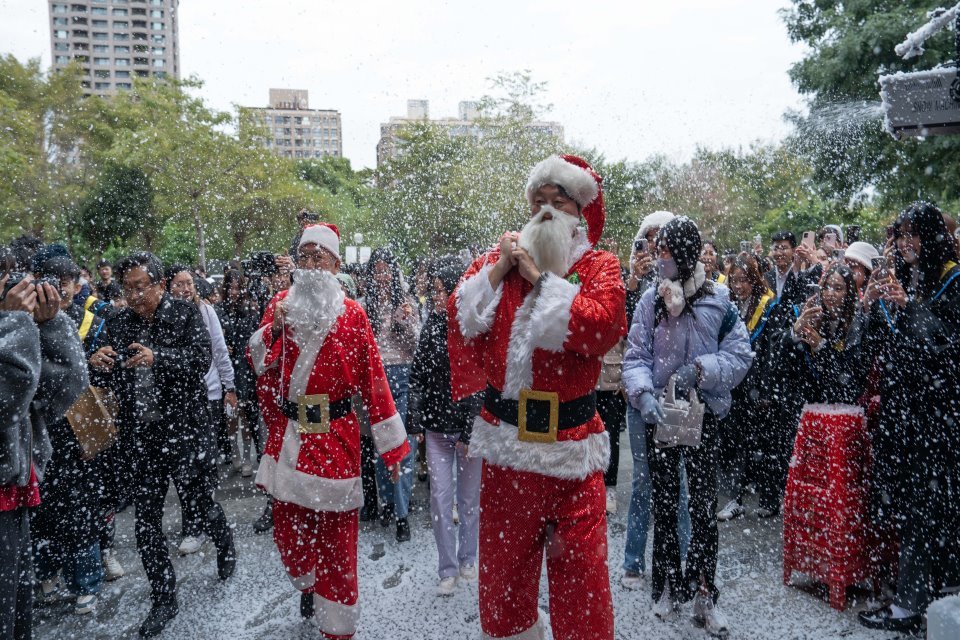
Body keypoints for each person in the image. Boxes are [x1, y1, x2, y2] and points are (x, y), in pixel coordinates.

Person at [449, 154, 626, 640]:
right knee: (504, 579)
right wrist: (503, 267)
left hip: (573, 451)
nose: (546, 213)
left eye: (559, 202)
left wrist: (538, 280)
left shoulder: (599, 265)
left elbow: (601, 326)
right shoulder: (499, 259)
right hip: (508, 450)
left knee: (584, 583)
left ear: (581, 212)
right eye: (538, 203)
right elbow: (462, 317)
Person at [248, 223, 409, 638]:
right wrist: (275, 329)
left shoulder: (353, 314)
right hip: (291, 438)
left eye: (320, 257)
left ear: (336, 265)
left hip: (336, 438)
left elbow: (374, 381)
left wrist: (391, 450)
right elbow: (259, 362)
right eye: (305, 256)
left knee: (338, 542)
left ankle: (338, 628)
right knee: (289, 535)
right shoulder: (280, 305)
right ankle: (309, 580)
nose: (311, 264)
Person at [88, 251, 236, 638]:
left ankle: (225, 542)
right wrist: (100, 360)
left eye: (142, 287)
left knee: (200, 506)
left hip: (185, 431)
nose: (135, 295)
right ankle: (163, 597)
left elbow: (200, 360)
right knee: (146, 522)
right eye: (128, 288)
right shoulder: (119, 322)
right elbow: (114, 370)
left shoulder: (186, 314)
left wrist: (160, 357)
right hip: (142, 437)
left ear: (159, 283)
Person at [622, 216, 752, 636]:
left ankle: (703, 593)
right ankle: (666, 586)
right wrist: (644, 396)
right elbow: (635, 356)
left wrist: (703, 369)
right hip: (660, 415)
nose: (659, 260)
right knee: (662, 504)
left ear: (686, 255)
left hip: (703, 417)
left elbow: (739, 355)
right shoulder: (648, 301)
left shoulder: (720, 299)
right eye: (657, 251)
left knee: (701, 509)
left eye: (666, 252)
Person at [858, 203, 960, 633]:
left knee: (930, 512)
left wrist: (910, 308)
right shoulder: (911, 278)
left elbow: (947, 349)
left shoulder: (953, 280)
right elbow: (891, 348)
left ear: (933, 235)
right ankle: (930, 600)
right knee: (920, 511)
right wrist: (876, 306)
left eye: (914, 234)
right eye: (900, 235)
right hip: (911, 419)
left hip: (942, 422)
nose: (905, 243)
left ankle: (911, 606)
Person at [1, 260, 87, 640]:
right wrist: (15, 324)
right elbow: (8, 400)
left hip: (16, 488)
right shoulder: (9, 325)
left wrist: (50, 327)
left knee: (18, 618)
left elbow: (59, 394)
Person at [30, 250, 110, 615]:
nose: (56, 294)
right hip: (39, 433)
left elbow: (86, 381)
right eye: (49, 285)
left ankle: (87, 581)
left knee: (80, 510)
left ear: (75, 287)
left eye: (63, 286)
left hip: (77, 426)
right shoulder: (22, 320)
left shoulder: (89, 318)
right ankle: (48, 573)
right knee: (42, 511)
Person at [407, 256, 482, 597]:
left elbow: (480, 383)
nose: (435, 298)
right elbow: (418, 377)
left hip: (469, 431)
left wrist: (469, 429)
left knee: (468, 500)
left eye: (440, 291)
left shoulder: (472, 326)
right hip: (437, 428)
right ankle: (447, 567)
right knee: (440, 500)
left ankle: (468, 558)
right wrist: (416, 420)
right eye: (434, 291)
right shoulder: (432, 326)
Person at [165, 265, 238, 559]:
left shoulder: (206, 312)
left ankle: (207, 519)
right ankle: (192, 525)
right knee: (184, 468)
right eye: (179, 284)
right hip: (178, 401)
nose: (185, 289)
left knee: (205, 465)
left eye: (189, 283)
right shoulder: (165, 315)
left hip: (208, 396)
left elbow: (219, 350)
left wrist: (230, 386)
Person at [716, 254, 780, 522]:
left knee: (762, 444)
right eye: (734, 280)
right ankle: (735, 499)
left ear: (754, 281)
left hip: (758, 386)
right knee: (734, 442)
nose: (738, 286)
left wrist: (765, 390)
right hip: (735, 386)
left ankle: (769, 498)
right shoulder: (729, 306)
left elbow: (770, 353)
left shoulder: (768, 307)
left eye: (743, 280)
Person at [364, 247, 421, 541]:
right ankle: (387, 502)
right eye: (378, 271)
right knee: (382, 447)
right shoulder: (365, 307)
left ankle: (402, 514)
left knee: (404, 446)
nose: (383, 276)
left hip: (402, 375)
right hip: (377, 380)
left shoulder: (407, 303)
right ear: (371, 274)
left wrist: (404, 323)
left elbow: (416, 346)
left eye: (387, 270)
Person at [216, 269, 263, 472]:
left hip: (245, 367)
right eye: (231, 288)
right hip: (226, 367)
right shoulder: (219, 311)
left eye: (237, 287)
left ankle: (246, 458)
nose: (234, 292)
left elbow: (254, 338)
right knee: (230, 413)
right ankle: (234, 452)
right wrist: (224, 346)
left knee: (244, 413)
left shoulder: (250, 309)